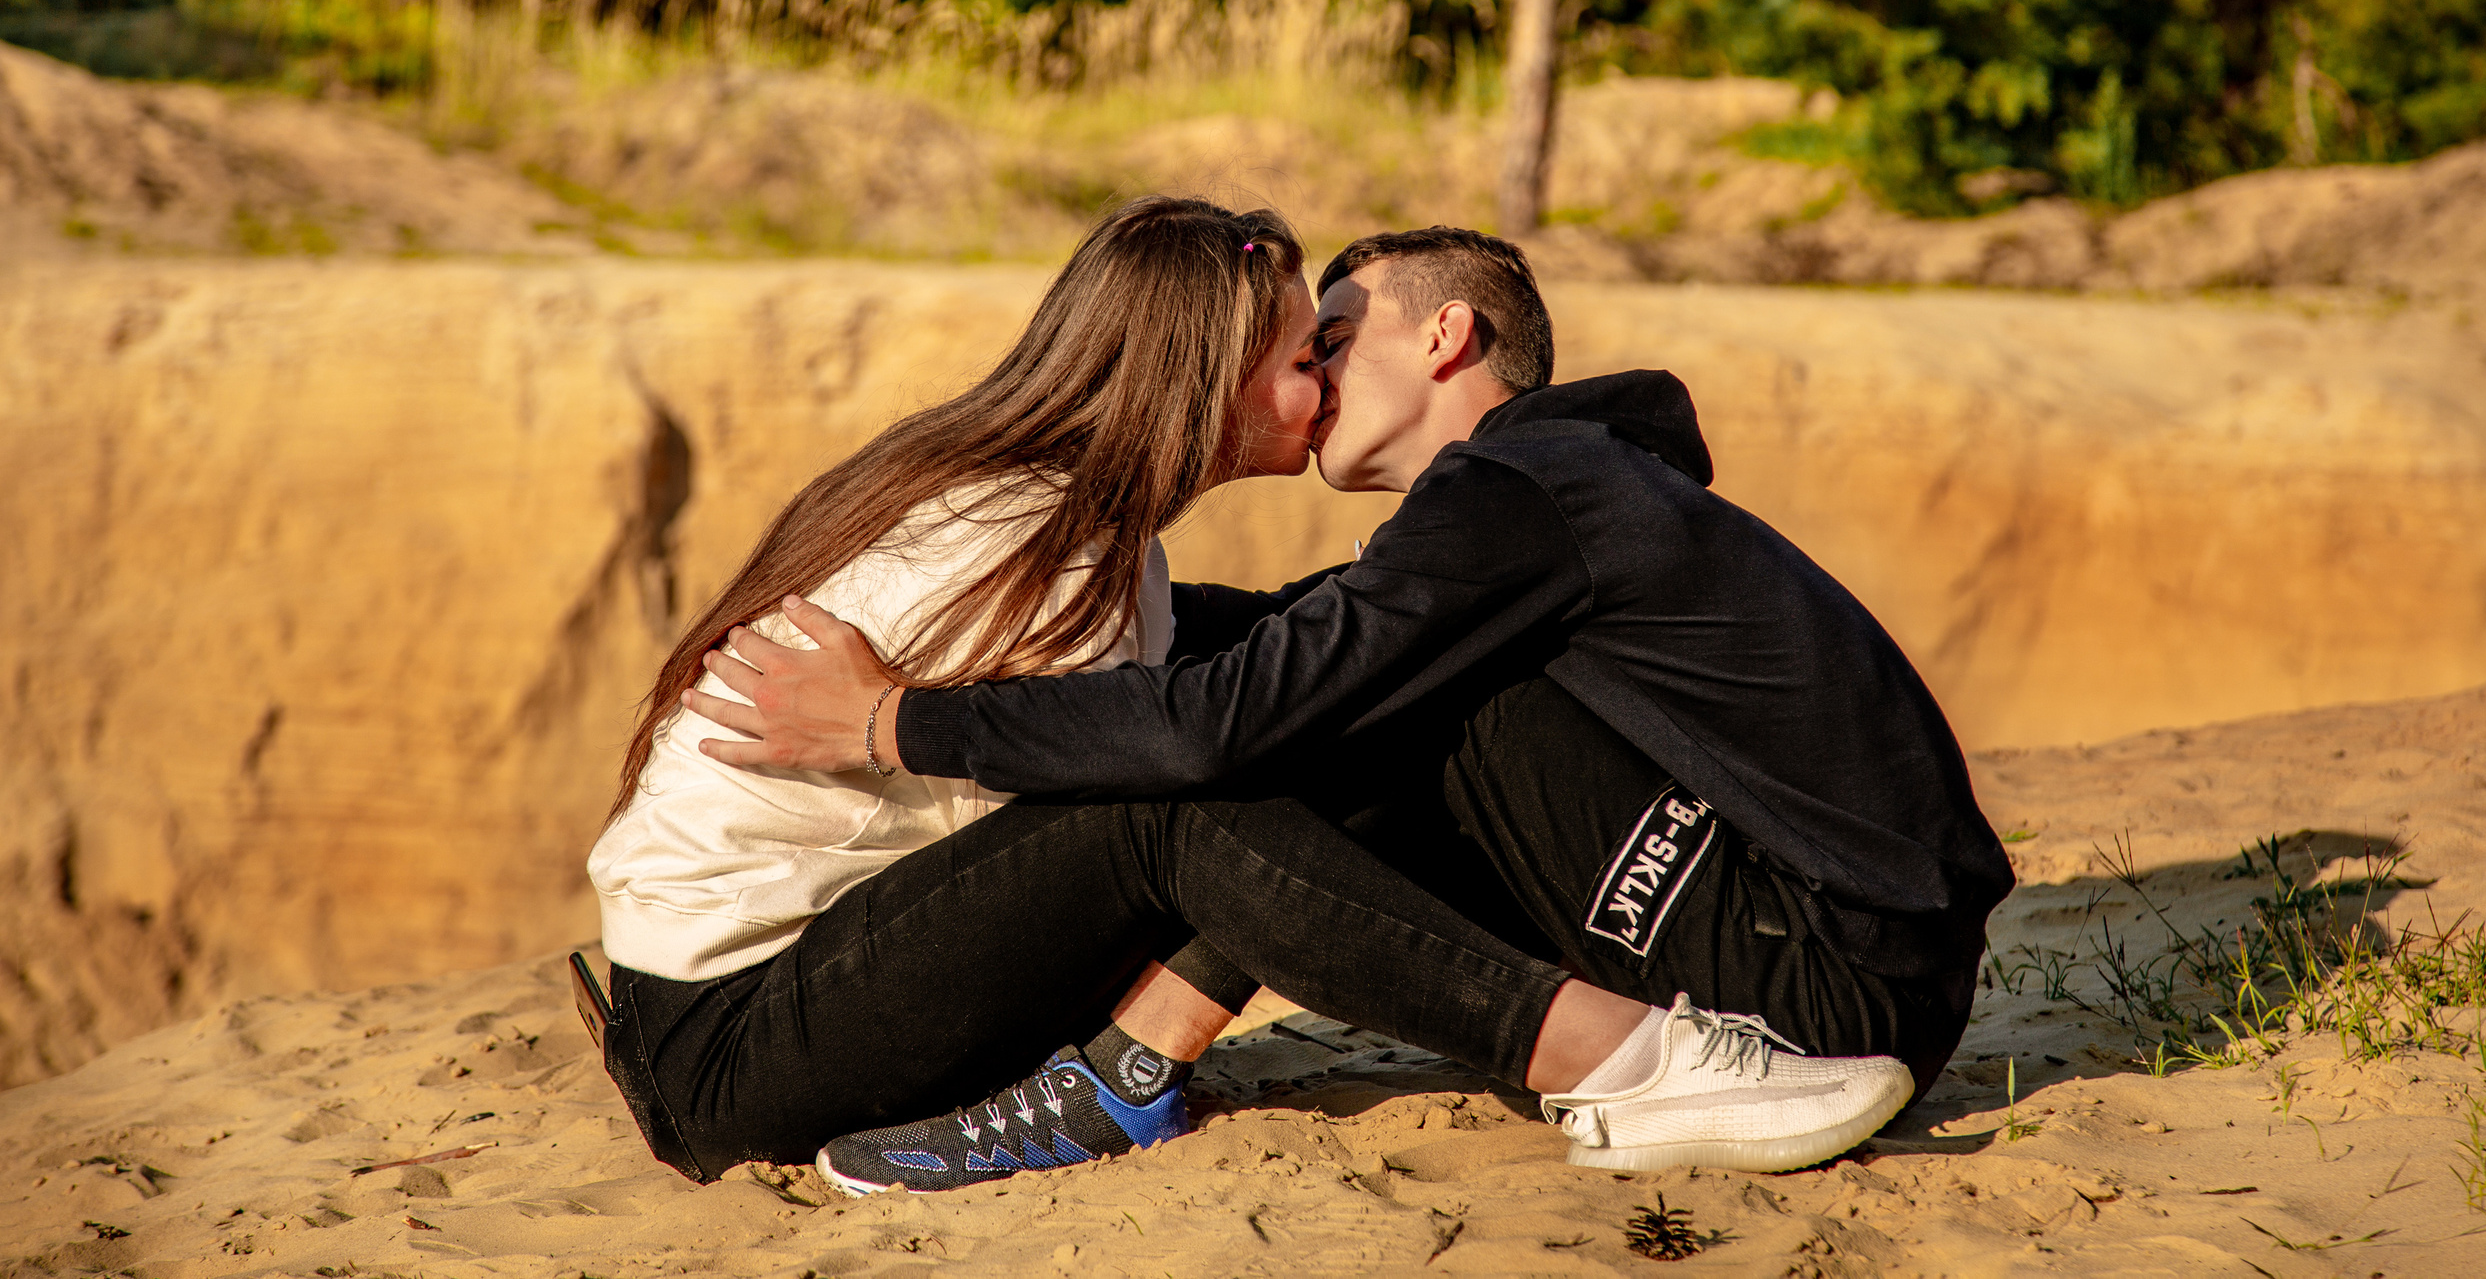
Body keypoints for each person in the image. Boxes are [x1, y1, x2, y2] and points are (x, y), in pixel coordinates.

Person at [588, 199, 1914, 1196]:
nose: (1321, 384)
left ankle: (1122, 1081)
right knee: (1179, 801)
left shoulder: (1094, 536)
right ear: (1204, 378)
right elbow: (1144, 777)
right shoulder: (1038, 547)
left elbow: (1270, 663)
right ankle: (1622, 1062)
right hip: (736, 1036)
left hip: (813, 977)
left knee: (1275, 728)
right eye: (1303, 354)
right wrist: (886, 722)